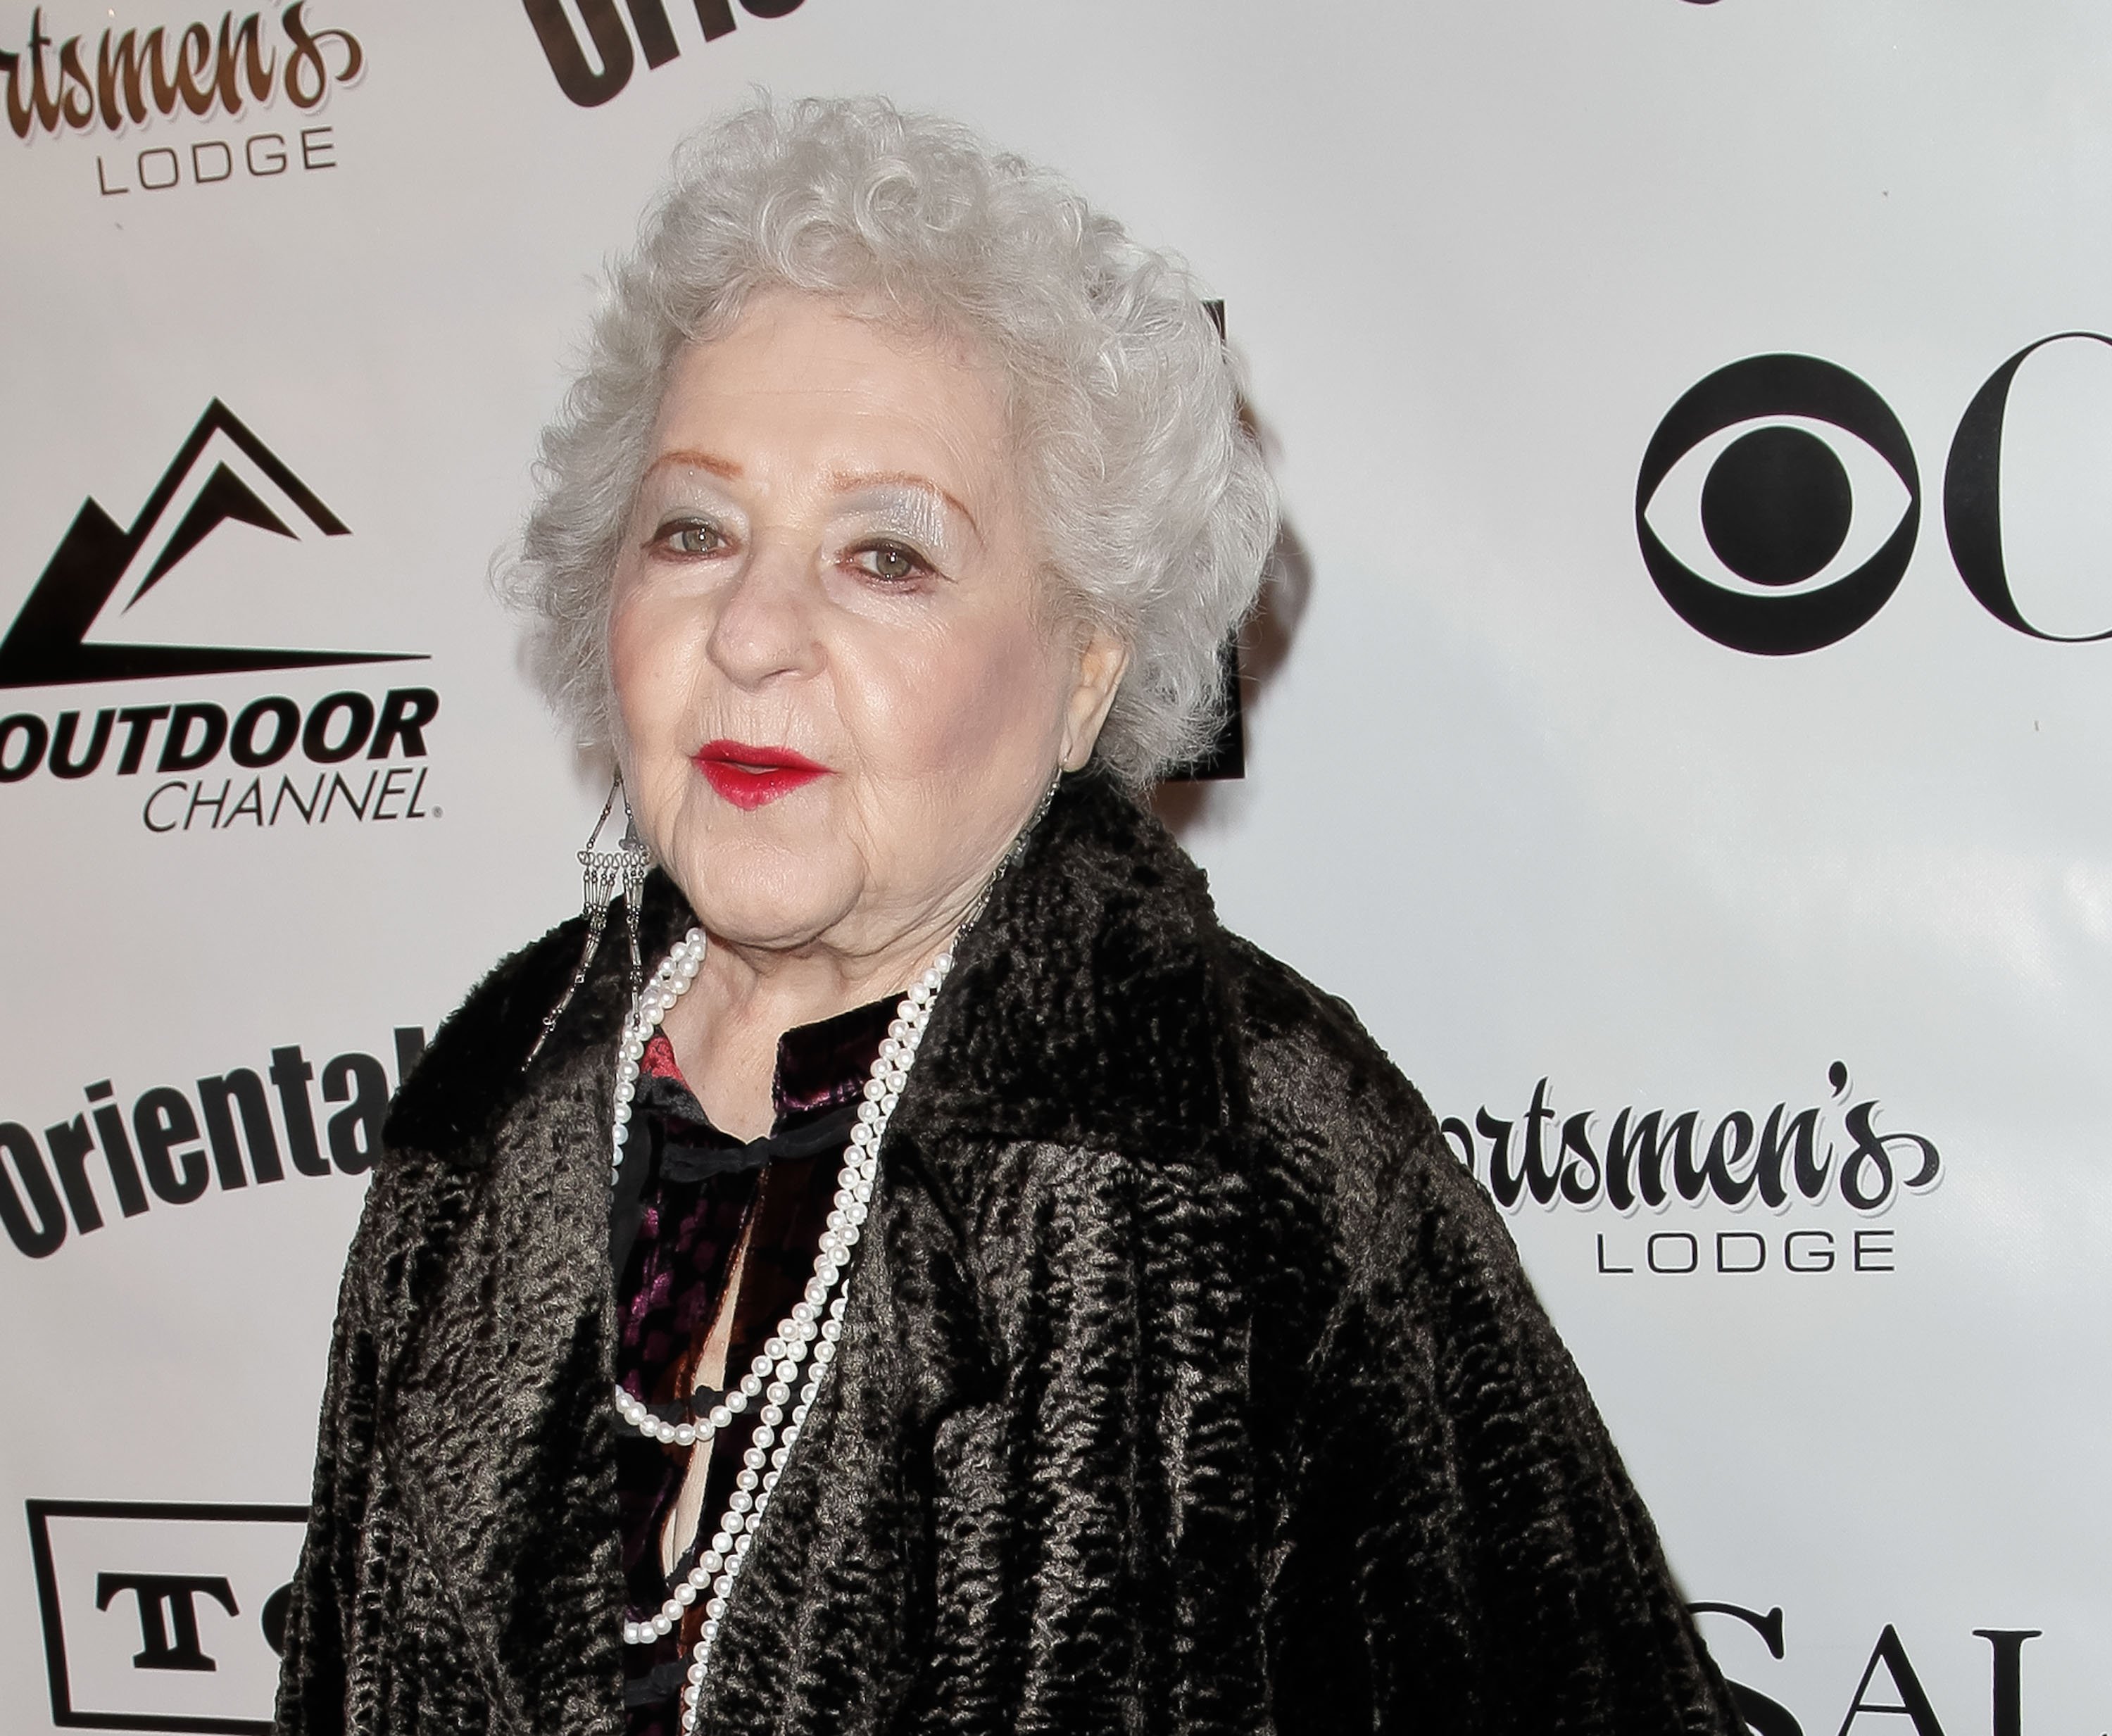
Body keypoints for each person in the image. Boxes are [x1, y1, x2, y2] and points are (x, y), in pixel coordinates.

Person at [274, 96, 1741, 1736]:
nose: (754, 631)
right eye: (693, 532)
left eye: (887, 556)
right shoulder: (493, 1102)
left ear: (1083, 675)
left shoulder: (1247, 1157)